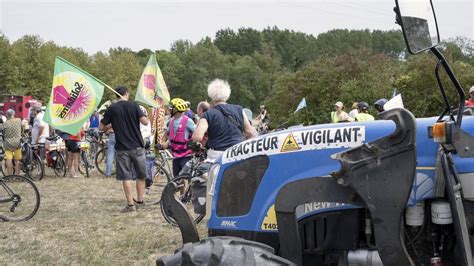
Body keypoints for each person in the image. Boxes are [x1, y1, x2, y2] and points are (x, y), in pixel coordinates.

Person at [100, 86, 149, 212]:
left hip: (122, 148)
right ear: (126, 93)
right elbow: (145, 122)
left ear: (116, 95)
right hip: (137, 146)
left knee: (126, 177)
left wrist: (111, 125)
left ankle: (130, 205)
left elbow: (101, 127)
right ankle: (141, 200)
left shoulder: (111, 108)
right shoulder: (134, 105)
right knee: (141, 175)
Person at [192, 79, 257, 159]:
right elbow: (250, 132)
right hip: (238, 152)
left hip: (218, 154)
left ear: (211, 95)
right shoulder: (239, 109)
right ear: (227, 94)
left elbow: (197, 136)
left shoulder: (208, 114)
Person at [158, 98, 196, 177]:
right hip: (175, 155)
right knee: (176, 177)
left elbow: (197, 132)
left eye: (171, 108)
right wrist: (162, 143)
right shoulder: (171, 121)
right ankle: (180, 189)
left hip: (186, 155)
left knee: (184, 177)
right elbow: (167, 133)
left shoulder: (187, 121)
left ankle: (186, 189)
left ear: (176, 110)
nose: (168, 109)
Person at [3, 109, 22, 175]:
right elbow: (22, 128)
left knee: (9, 160)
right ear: (13, 114)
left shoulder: (5, 123)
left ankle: (10, 176)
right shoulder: (18, 120)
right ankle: (18, 176)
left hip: (8, 144)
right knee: (17, 160)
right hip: (17, 143)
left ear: (7, 115)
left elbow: (3, 132)